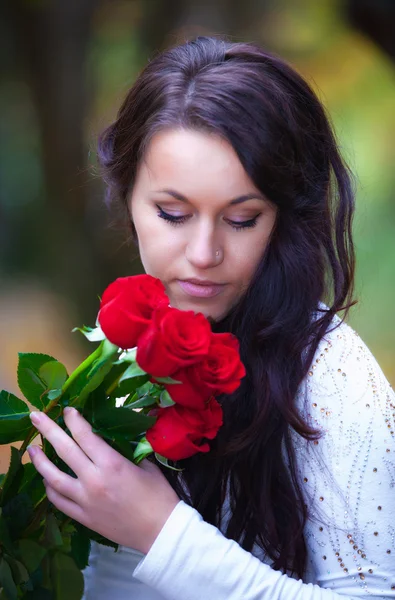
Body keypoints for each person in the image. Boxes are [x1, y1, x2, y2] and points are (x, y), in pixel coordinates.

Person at [27, 36, 395, 599]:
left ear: (286, 217)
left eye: (242, 219)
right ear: (126, 195)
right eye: (173, 214)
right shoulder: (119, 344)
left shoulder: (332, 380)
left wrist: (163, 534)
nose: (204, 253)